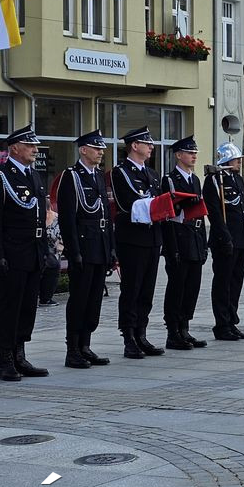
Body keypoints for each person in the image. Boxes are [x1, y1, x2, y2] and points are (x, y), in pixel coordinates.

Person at [0, 124, 51, 381]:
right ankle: (5, 360)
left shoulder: (33, 175)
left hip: (33, 252)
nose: (35, 150)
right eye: (30, 145)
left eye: (35, 146)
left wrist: (44, 252)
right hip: (12, 254)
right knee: (10, 306)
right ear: (14, 148)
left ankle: (20, 354)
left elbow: (39, 217)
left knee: (28, 307)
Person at [55, 129, 115, 369]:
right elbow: (68, 218)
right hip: (83, 245)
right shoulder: (71, 176)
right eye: (96, 148)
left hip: (99, 245)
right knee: (79, 299)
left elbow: (106, 215)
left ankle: (86, 345)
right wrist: (73, 251)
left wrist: (111, 248)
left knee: (94, 301)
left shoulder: (99, 176)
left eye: (102, 149)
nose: (101, 152)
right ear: (83, 150)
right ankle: (73, 349)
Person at [111, 126, 165, 359]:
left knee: (147, 290)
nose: (151, 146)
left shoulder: (152, 174)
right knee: (131, 290)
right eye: (147, 143)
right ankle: (129, 336)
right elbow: (127, 204)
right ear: (134, 146)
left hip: (152, 238)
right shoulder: (121, 172)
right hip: (132, 239)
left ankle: (141, 333)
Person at [203, 142, 244, 341]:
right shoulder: (214, 181)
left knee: (236, 283)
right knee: (223, 284)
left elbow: (243, 212)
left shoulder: (237, 180)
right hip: (224, 241)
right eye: (236, 160)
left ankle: (232, 320)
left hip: (241, 240)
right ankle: (222, 324)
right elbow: (215, 213)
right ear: (226, 160)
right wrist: (225, 237)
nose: (239, 163)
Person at [160, 136, 208, 351]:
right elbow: (166, 216)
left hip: (195, 239)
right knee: (177, 288)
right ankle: (173, 332)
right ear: (178, 155)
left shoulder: (195, 180)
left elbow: (200, 214)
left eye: (195, 152)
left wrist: (204, 244)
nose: (194, 156)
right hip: (178, 240)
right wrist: (171, 248)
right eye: (189, 152)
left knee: (192, 288)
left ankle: (185, 327)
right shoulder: (169, 180)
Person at [38, 210, 62, 307]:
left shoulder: (57, 218)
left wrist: (58, 250)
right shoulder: (35, 217)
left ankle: (46, 298)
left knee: (54, 265)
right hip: (37, 249)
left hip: (53, 251)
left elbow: (61, 236)